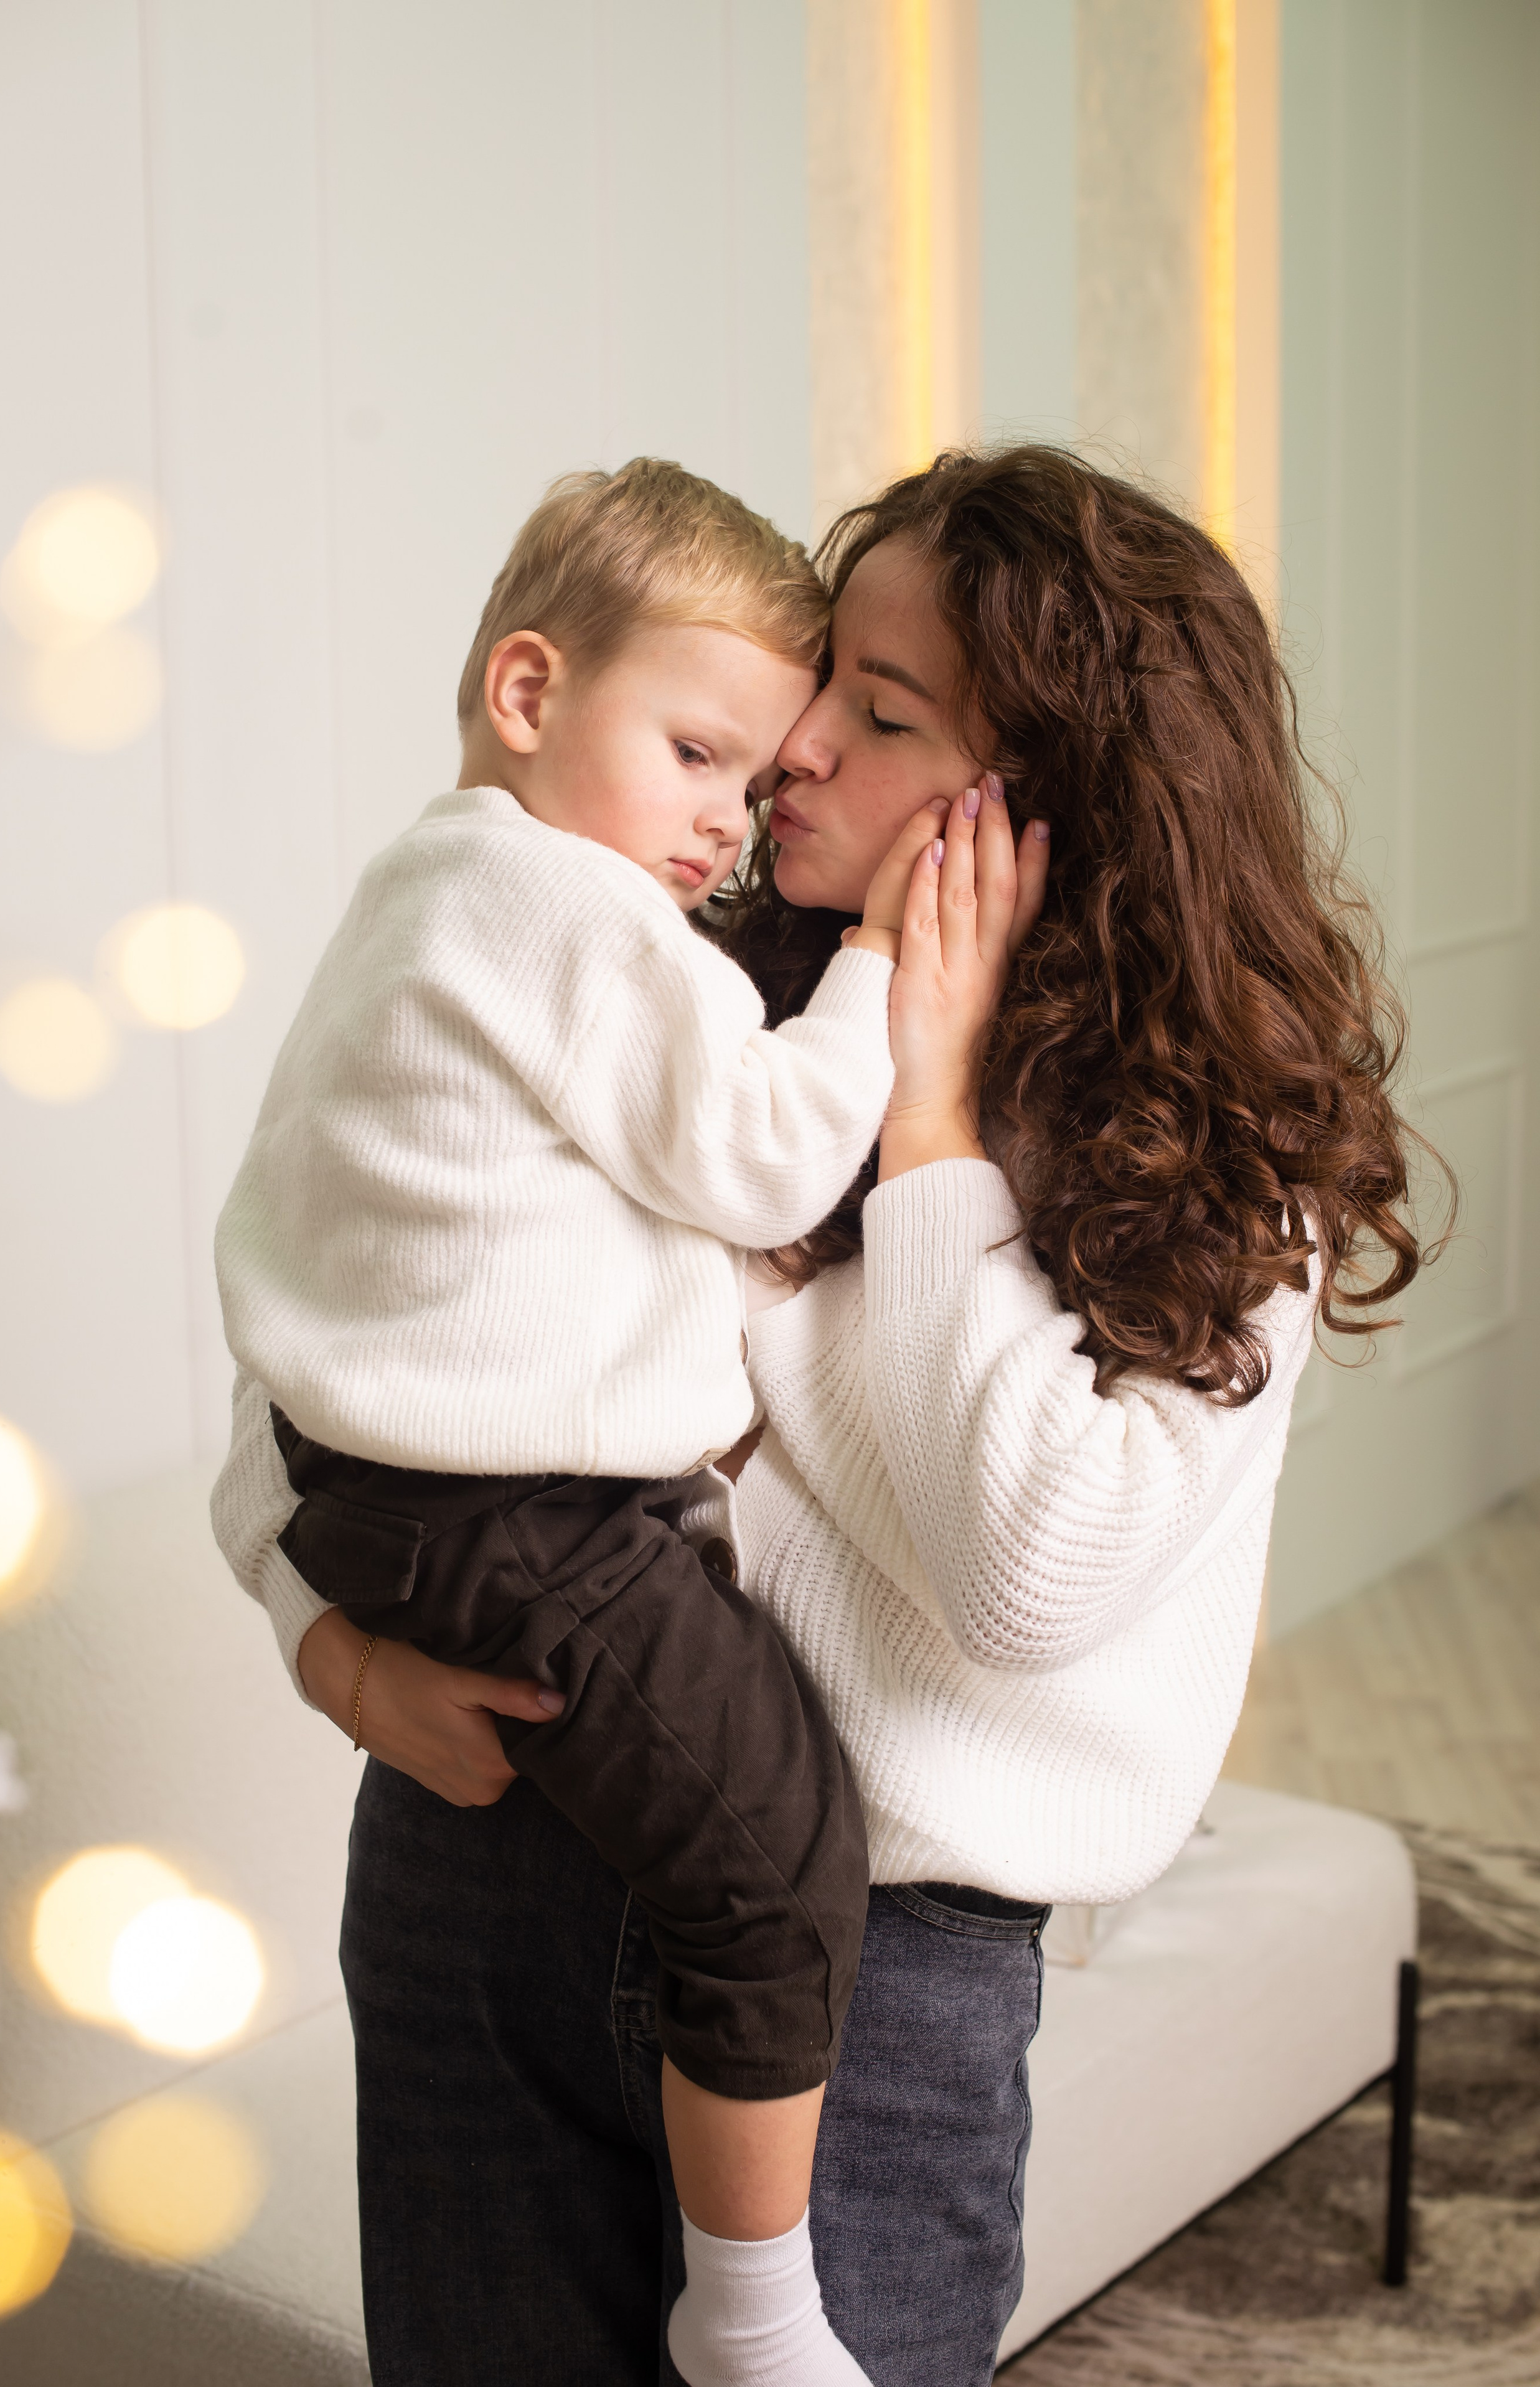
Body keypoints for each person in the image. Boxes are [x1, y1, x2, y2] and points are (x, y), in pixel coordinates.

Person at [215, 446, 1435, 2386]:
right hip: (490, 1876)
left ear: (1059, 796)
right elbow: (360, 1307)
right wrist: (329, 1648)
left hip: (873, 1999)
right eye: (806, 702)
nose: (789, 755)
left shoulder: (1224, 1168)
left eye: (877, 714)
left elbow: (1030, 1568)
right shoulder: (688, 992)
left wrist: (934, 1112)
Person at [212, 459, 978, 2387]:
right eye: (702, 754)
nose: (730, 822)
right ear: (530, 696)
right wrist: (889, 958)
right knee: (783, 1843)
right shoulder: (559, 903)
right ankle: (757, 2316)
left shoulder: (423, 896)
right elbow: (770, 1142)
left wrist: (315, 1603)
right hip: (521, 1522)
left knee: (754, 1830)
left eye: (759, 770)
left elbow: (311, 1286)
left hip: (392, 1502)